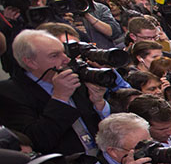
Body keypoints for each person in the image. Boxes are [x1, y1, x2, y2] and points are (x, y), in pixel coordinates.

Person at [0, 28, 109, 157]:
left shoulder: (74, 75)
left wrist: (99, 103)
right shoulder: (9, 93)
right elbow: (37, 141)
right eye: (54, 55)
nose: (66, 59)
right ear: (31, 62)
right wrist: (60, 98)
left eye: (64, 53)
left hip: (105, 159)